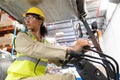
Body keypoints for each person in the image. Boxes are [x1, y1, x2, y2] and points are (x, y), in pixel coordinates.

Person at [5, 7, 90, 80]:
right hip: (17, 78)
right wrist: (70, 49)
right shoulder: (22, 37)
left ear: (40, 21)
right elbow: (36, 49)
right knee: (67, 78)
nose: (27, 21)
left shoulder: (46, 43)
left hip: (33, 77)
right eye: (26, 18)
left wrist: (78, 53)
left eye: (30, 17)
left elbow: (59, 59)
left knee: (70, 77)